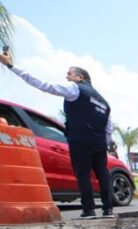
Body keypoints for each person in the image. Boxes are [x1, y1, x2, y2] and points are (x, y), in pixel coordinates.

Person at [1, 49, 115, 219]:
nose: (67, 77)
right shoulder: (104, 102)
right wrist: (106, 145)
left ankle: (89, 210)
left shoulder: (74, 89)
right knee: (103, 174)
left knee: (83, 173)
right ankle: (108, 210)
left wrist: (11, 66)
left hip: (80, 139)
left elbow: (44, 85)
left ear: (80, 77)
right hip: (99, 143)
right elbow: (108, 128)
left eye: (69, 74)